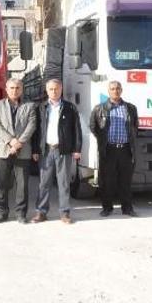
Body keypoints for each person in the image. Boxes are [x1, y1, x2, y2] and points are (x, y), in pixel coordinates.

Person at [32, 79, 82, 225]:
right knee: (44, 183)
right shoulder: (41, 108)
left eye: (56, 89)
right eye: (51, 89)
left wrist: (77, 149)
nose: (54, 92)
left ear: (61, 90)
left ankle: (65, 213)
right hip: (46, 150)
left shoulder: (69, 108)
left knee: (64, 183)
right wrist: (35, 149)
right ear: (47, 91)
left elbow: (77, 130)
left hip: (63, 151)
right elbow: (36, 131)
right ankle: (41, 212)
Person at [90, 80, 139, 217]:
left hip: (125, 149)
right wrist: (103, 141)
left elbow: (135, 126)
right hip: (108, 150)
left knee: (126, 180)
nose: (115, 91)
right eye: (112, 88)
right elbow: (93, 127)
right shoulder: (99, 108)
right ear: (108, 91)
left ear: (121, 90)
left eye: (118, 88)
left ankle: (127, 208)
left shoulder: (130, 108)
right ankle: (107, 208)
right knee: (107, 181)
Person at [0, 78, 37, 224]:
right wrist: (11, 141)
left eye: (17, 88)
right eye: (11, 88)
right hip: (3, 150)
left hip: (22, 151)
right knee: (2, 184)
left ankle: (21, 213)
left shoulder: (29, 106)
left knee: (22, 185)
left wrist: (19, 143)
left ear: (21, 89)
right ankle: (2, 212)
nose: (14, 90)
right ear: (6, 89)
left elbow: (32, 125)